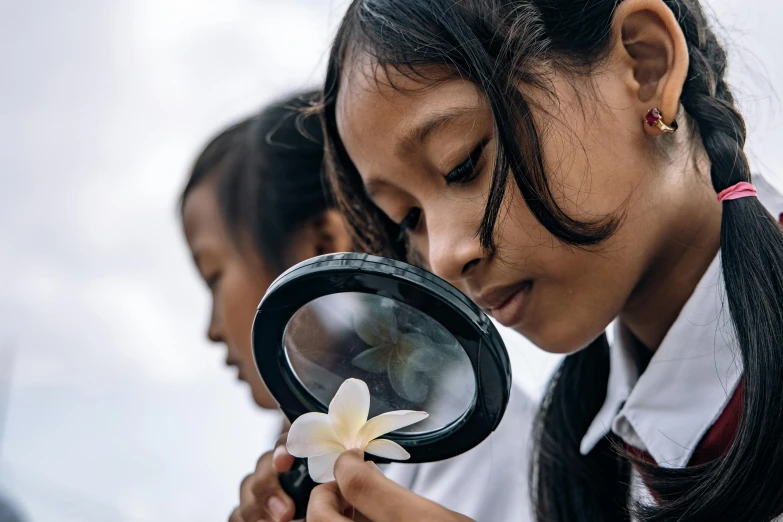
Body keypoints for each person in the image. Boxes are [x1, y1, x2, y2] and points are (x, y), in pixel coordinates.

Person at [306, 0, 783, 521]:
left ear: (645, 66)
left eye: (462, 164)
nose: (442, 257)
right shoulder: (587, 458)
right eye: (409, 218)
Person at [181, 92, 539, 522]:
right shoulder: (301, 458)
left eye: (214, 276)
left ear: (323, 245)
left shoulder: (480, 447)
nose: (211, 329)